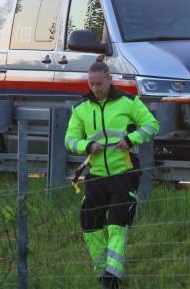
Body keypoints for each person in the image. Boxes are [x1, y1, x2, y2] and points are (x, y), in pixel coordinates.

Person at [64, 61, 159, 289]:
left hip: (124, 172)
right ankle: (101, 273)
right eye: (91, 84)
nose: (95, 88)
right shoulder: (81, 108)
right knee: (89, 222)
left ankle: (112, 279)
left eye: (99, 84)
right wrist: (86, 146)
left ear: (109, 80)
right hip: (96, 174)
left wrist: (130, 139)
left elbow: (152, 125)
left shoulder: (129, 102)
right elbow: (69, 139)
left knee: (118, 223)